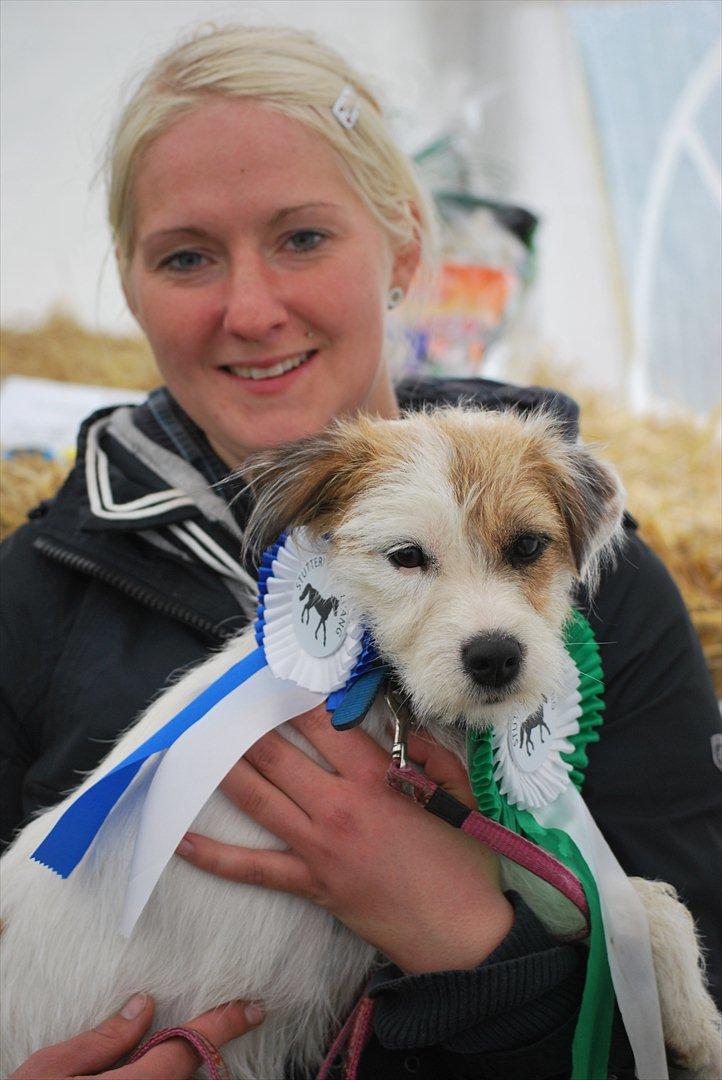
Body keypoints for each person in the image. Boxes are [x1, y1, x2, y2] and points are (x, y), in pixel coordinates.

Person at [1, 23, 720, 1080]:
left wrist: (466, 937)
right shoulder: (31, 597)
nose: (251, 309)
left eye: (302, 237)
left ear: (406, 249)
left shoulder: (605, 599)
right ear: (130, 279)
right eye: (187, 255)